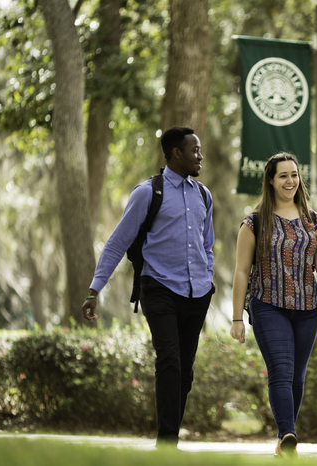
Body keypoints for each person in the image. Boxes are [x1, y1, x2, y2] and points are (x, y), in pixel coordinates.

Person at [81, 126, 215, 447]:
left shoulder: (203, 195)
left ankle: (169, 441)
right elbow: (117, 243)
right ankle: (166, 443)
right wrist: (94, 290)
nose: (200, 156)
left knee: (185, 372)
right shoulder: (148, 192)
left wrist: (208, 277)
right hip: (159, 288)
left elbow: (207, 244)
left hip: (197, 294)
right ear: (175, 153)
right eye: (194, 150)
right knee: (168, 360)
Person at [230, 152, 317, 459]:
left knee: (297, 377)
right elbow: (241, 271)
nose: (290, 181)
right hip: (267, 304)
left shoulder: (314, 220)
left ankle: (284, 443)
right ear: (271, 180)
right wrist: (236, 318)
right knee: (280, 371)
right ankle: (288, 434)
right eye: (283, 175)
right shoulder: (254, 222)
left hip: (308, 307)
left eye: (294, 175)